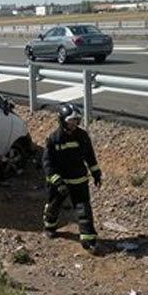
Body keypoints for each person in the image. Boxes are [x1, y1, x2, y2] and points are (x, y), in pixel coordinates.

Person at [40, 103, 103, 254]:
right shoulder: (54, 139)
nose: (74, 124)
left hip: (78, 179)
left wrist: (96, 172)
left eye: (76, 120)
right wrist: (56, 180)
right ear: (62, 120)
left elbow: (89, 155)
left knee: (83, 209)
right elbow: (47, 162)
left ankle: (88, 239)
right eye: (71, 120)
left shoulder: (82, 136)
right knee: (53, 206)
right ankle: (50, 226)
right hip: (59, 181)